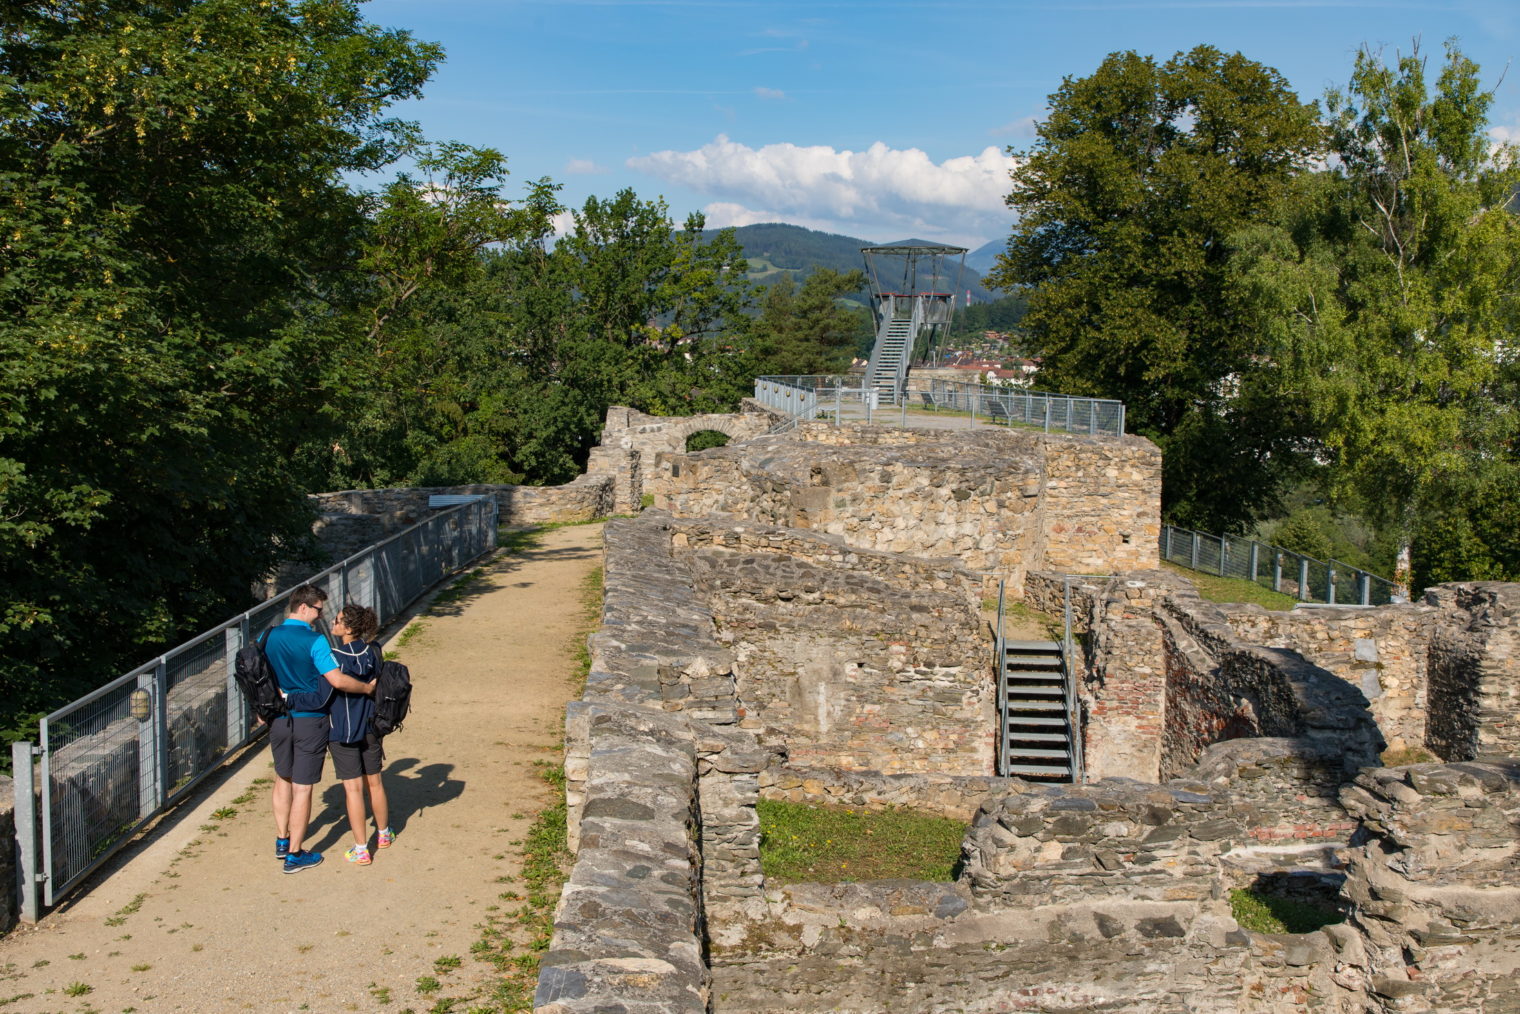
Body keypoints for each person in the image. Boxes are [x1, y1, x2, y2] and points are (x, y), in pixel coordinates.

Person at [262, 584, 375, 873]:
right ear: (304, 607)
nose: (320, 616)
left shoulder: (267, 636)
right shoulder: (316, 642)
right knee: (303, 787)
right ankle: (296, 855)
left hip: (278, 718)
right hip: (310, 719)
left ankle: (282, 840)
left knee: (282, 778)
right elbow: (336, 681)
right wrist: (365, 688)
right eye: (318, 610)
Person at [326, 603, 393, 866]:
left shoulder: (332, 655)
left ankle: (361, 848)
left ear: (349, 628)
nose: (334, 621)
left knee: (352, 789)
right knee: (375, 782)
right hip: (371, 725)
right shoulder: (374, 651)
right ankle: (384, 834)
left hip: (342, 728)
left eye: (338, 619)